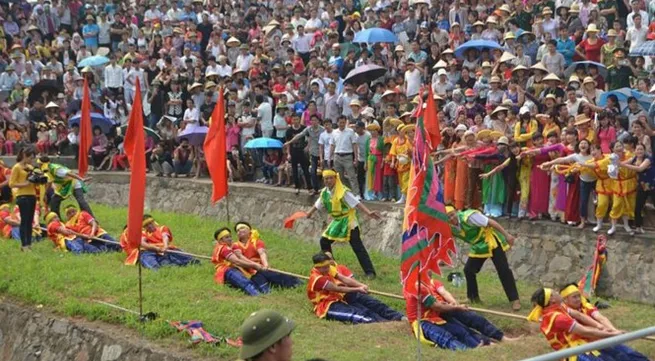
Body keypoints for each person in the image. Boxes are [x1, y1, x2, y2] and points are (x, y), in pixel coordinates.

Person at [529, 288, 648, 361]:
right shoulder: (557, 317)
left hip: (588, 343)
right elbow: (585, 331)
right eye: (554, 292)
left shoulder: (561, 307)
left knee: (626, 354)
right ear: (552, 300)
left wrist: (603, 328)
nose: (578, 299)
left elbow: (582, 316)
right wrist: (612, 334)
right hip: (575, 353)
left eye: (578, 296)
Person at [404, 275, 519, 350]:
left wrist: (455, 304)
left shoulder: (432, 282)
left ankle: (497, 340)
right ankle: (477, 347)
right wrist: (457, 308)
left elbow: (444, 294)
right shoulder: (417, 285)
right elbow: (437, 306)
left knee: (473, 318)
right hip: (428, 319)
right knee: (457, 332)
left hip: (441, 312)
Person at [303, 170, 380, 278]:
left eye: (331, 178)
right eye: (326, 178)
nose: (328, 180)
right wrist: (309, 213)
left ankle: (370, 272)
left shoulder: (343, 191)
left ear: (335, 178)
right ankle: (331, 267)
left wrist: (368, 212)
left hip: (349, 220)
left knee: (357, 246)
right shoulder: (325, 192)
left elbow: (356, 203)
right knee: (324, 241)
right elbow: (318, 204)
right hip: (337, 220)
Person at [445, 205, 521, 311]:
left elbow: (491, 222)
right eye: (448, 217)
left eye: (452, 215)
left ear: (456, 212)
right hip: (478, 245)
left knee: (503, 269)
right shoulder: (449, 226)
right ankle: (473, 297)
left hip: (490, 240)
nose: (451, 218)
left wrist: (507, 235)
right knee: (469, 270)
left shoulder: (470, 217)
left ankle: (515, 300)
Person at [307, 252, 403, 324]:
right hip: (327, 305)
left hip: (341, 298)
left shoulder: (330, 268)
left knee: (371, 303)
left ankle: (396, 319)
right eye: (324, 267)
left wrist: (360, 285)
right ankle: (380, 324)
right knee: (358, 314)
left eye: (328, 266)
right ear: (318, 267)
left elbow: (344, 278)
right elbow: (337, 289)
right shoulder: (318, 278)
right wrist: (357, 289)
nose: (328, 269)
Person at [232, 221, 301, 291]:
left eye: (242, 228)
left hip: (261, 269)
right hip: (247, 272)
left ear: (249, 230)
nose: (239, 231)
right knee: (260, 281)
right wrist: (254, 265)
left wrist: (265, 265)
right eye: (237, 230)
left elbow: (262, 253)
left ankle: (296, 283)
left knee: (273, 275)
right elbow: (240, 257)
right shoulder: (235, 245)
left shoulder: (257, 242)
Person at [211, 227, 269, 296]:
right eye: (226, 237)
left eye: (230, 236)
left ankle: (262, 293)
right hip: (226, 270)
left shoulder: (232, 245)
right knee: (243, 281)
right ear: (221, 241)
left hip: (234, 268)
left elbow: (241, 257)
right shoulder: (223, 248)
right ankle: (257, 295)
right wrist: (254, 265)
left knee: (249, 279)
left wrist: (254, 265)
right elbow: (237, 261)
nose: (230, 239)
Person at [9, 147, 38, 252]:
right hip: (22, 195)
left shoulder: (30, 167)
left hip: (32, 195)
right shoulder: (17, 167)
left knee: (30, 221)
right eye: (30, 158)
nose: (31, 160)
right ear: (24, 156)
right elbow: (11, 184)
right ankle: (24, 244)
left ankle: (29, 243)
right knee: (24, 221)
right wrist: (24, 184)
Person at [330, 116, 361, 198]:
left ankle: (356, 194)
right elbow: (332, 145)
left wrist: (356, 158)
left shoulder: (350, 132)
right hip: (337, 155)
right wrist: (330, 157)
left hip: (348, 155)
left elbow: (354, 145)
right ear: (337, 123)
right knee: (339, 177)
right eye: (340, 122)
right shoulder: (334, 132)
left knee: (352, 176)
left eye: (343, 122)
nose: (342, 124)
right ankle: (342, 192)